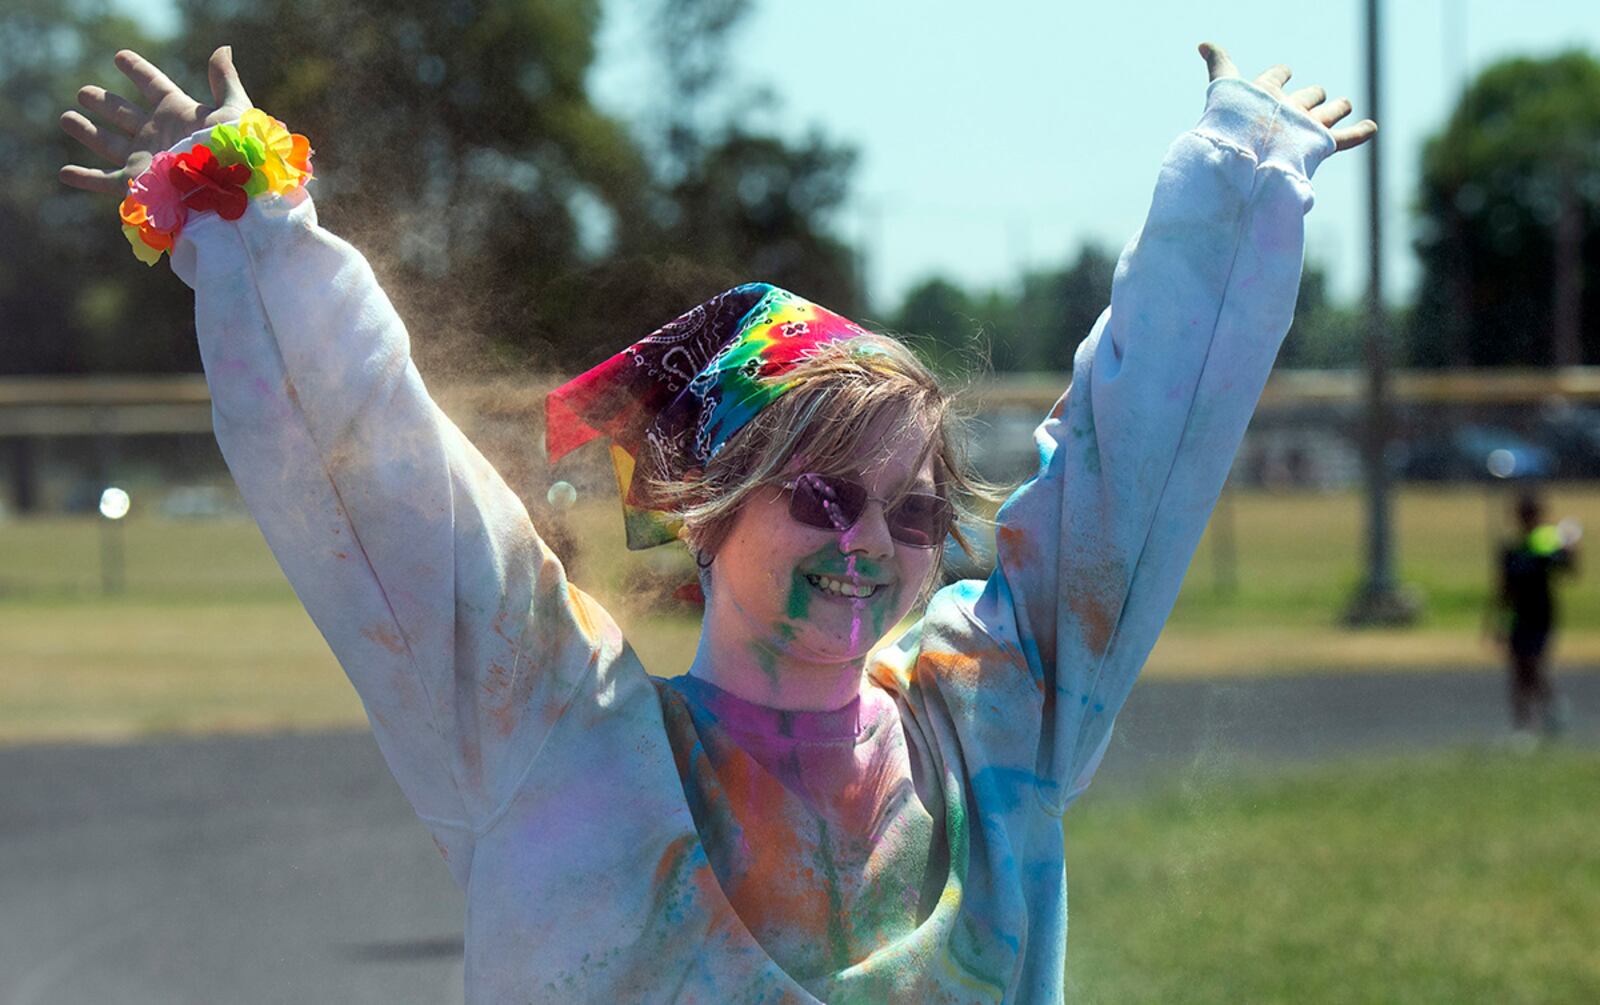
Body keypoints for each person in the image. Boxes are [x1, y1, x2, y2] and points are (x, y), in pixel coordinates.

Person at [59, 42, 1374, 1002]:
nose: (871, 543)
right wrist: (251, 230)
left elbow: (1127, 472)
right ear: (703, 515)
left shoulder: (993, 720)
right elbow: (390, 489)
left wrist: (1236, 185)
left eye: (913, 510)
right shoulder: (558, 740)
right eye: (820, 496)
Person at [1494, 491, 1579, 739]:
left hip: (1542, 615)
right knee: (1518, 671)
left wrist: (1571, 545)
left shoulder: (1546, 546)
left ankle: (1552, 706)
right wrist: (1497, 622)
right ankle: (1523, 726)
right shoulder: (1512, 550)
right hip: (1519, 616)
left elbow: (1570, 570)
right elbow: (1503, 589)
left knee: (1534, 663)